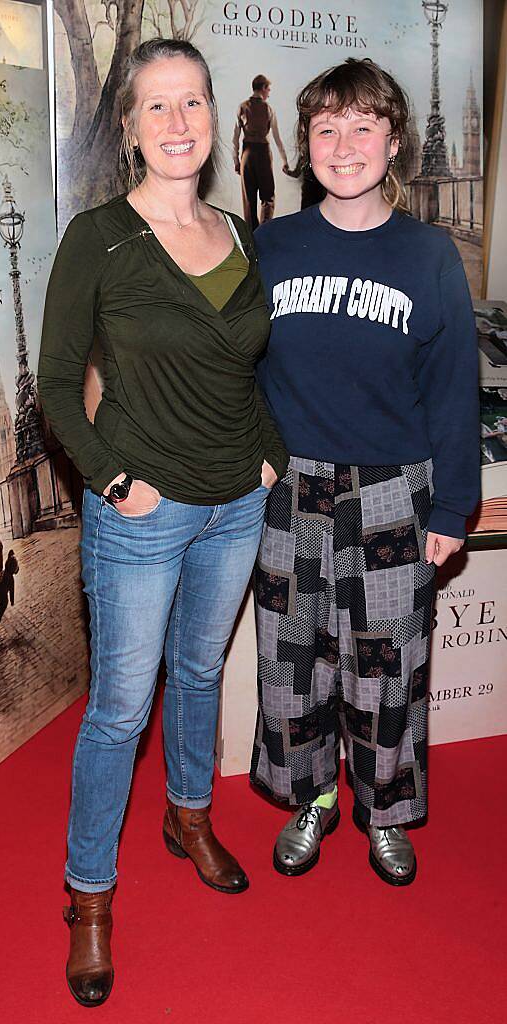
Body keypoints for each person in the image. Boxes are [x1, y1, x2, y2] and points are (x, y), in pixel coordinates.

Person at [38, 38, 287, 1007]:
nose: (178, 122)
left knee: (197, 674)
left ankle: (188, 816)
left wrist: (265, 450)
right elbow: (57, 383)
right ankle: (88, 893)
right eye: (157, 107)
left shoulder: (235, 230)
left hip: (237, 502)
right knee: (117, 710)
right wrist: (110, 481)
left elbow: (243, 362)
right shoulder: (98, 236)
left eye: (193, 103)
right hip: (142, 512)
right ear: (131, 128)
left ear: (216, 116)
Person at [250, 58, 479, 886]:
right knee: (291, 661)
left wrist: (453, 507)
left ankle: (384, 810)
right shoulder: (268, 246)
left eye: (361, 126)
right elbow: (233, 373)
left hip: (393, 491)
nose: (342, 145)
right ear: (303, 143)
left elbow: (453, 388)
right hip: (291, 493)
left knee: (388, 666)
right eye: (324, 128)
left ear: (392, 142)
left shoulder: (428, 258)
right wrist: (250, 464)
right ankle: (309, 800)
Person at [232, 74, 290, 230]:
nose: (269, 93)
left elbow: (235, 138)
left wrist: (236, 161)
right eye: (268, 89)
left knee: (249, 199)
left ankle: (251, 234)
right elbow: (277, 138)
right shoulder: (268, 108)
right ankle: (264, 230)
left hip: (247, 154)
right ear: (263, 88)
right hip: (263, 153)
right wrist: (285, 161)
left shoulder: (242, 107)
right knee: (268, 196)